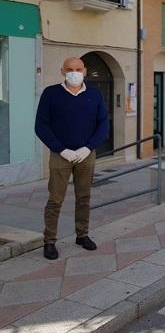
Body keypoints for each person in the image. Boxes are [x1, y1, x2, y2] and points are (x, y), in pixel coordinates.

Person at [34, 57, 108, 260]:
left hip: (86, 154)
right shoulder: (51, 94)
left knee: (84, 197)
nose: (74, 72)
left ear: (85, 71)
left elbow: (103, 124)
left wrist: (88, 147)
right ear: (62, 71)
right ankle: (49, 241)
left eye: (78, 69)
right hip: (61, 155)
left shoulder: (94, 94)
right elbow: (41, 126)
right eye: (69, 69)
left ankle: (82, 235)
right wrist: (61, 149)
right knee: (55, 200)